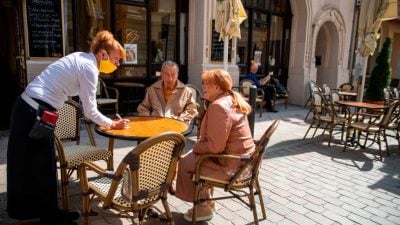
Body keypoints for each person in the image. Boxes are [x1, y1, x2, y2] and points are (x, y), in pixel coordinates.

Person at [7, 30, 129, 225]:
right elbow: (89, 110)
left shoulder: (81, 58)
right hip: (34, 111)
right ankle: (50, 217)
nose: (117, 65)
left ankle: (38, 211)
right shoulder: (89, 67)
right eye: (116, 59)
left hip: (27, 108)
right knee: (42, 165)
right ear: (103, 54)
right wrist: (112, 123)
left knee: (32, 165)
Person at [174, 69, 256, 222]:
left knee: (186, 163)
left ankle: (202, 207)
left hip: (232, 169)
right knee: (190, 159)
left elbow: (215, 147)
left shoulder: (219, 106)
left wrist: (197, 147)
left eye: (206, 84)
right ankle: (206, 201)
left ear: (217, 88)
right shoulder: (229, 99)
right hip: (242, 163)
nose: (203, 86)